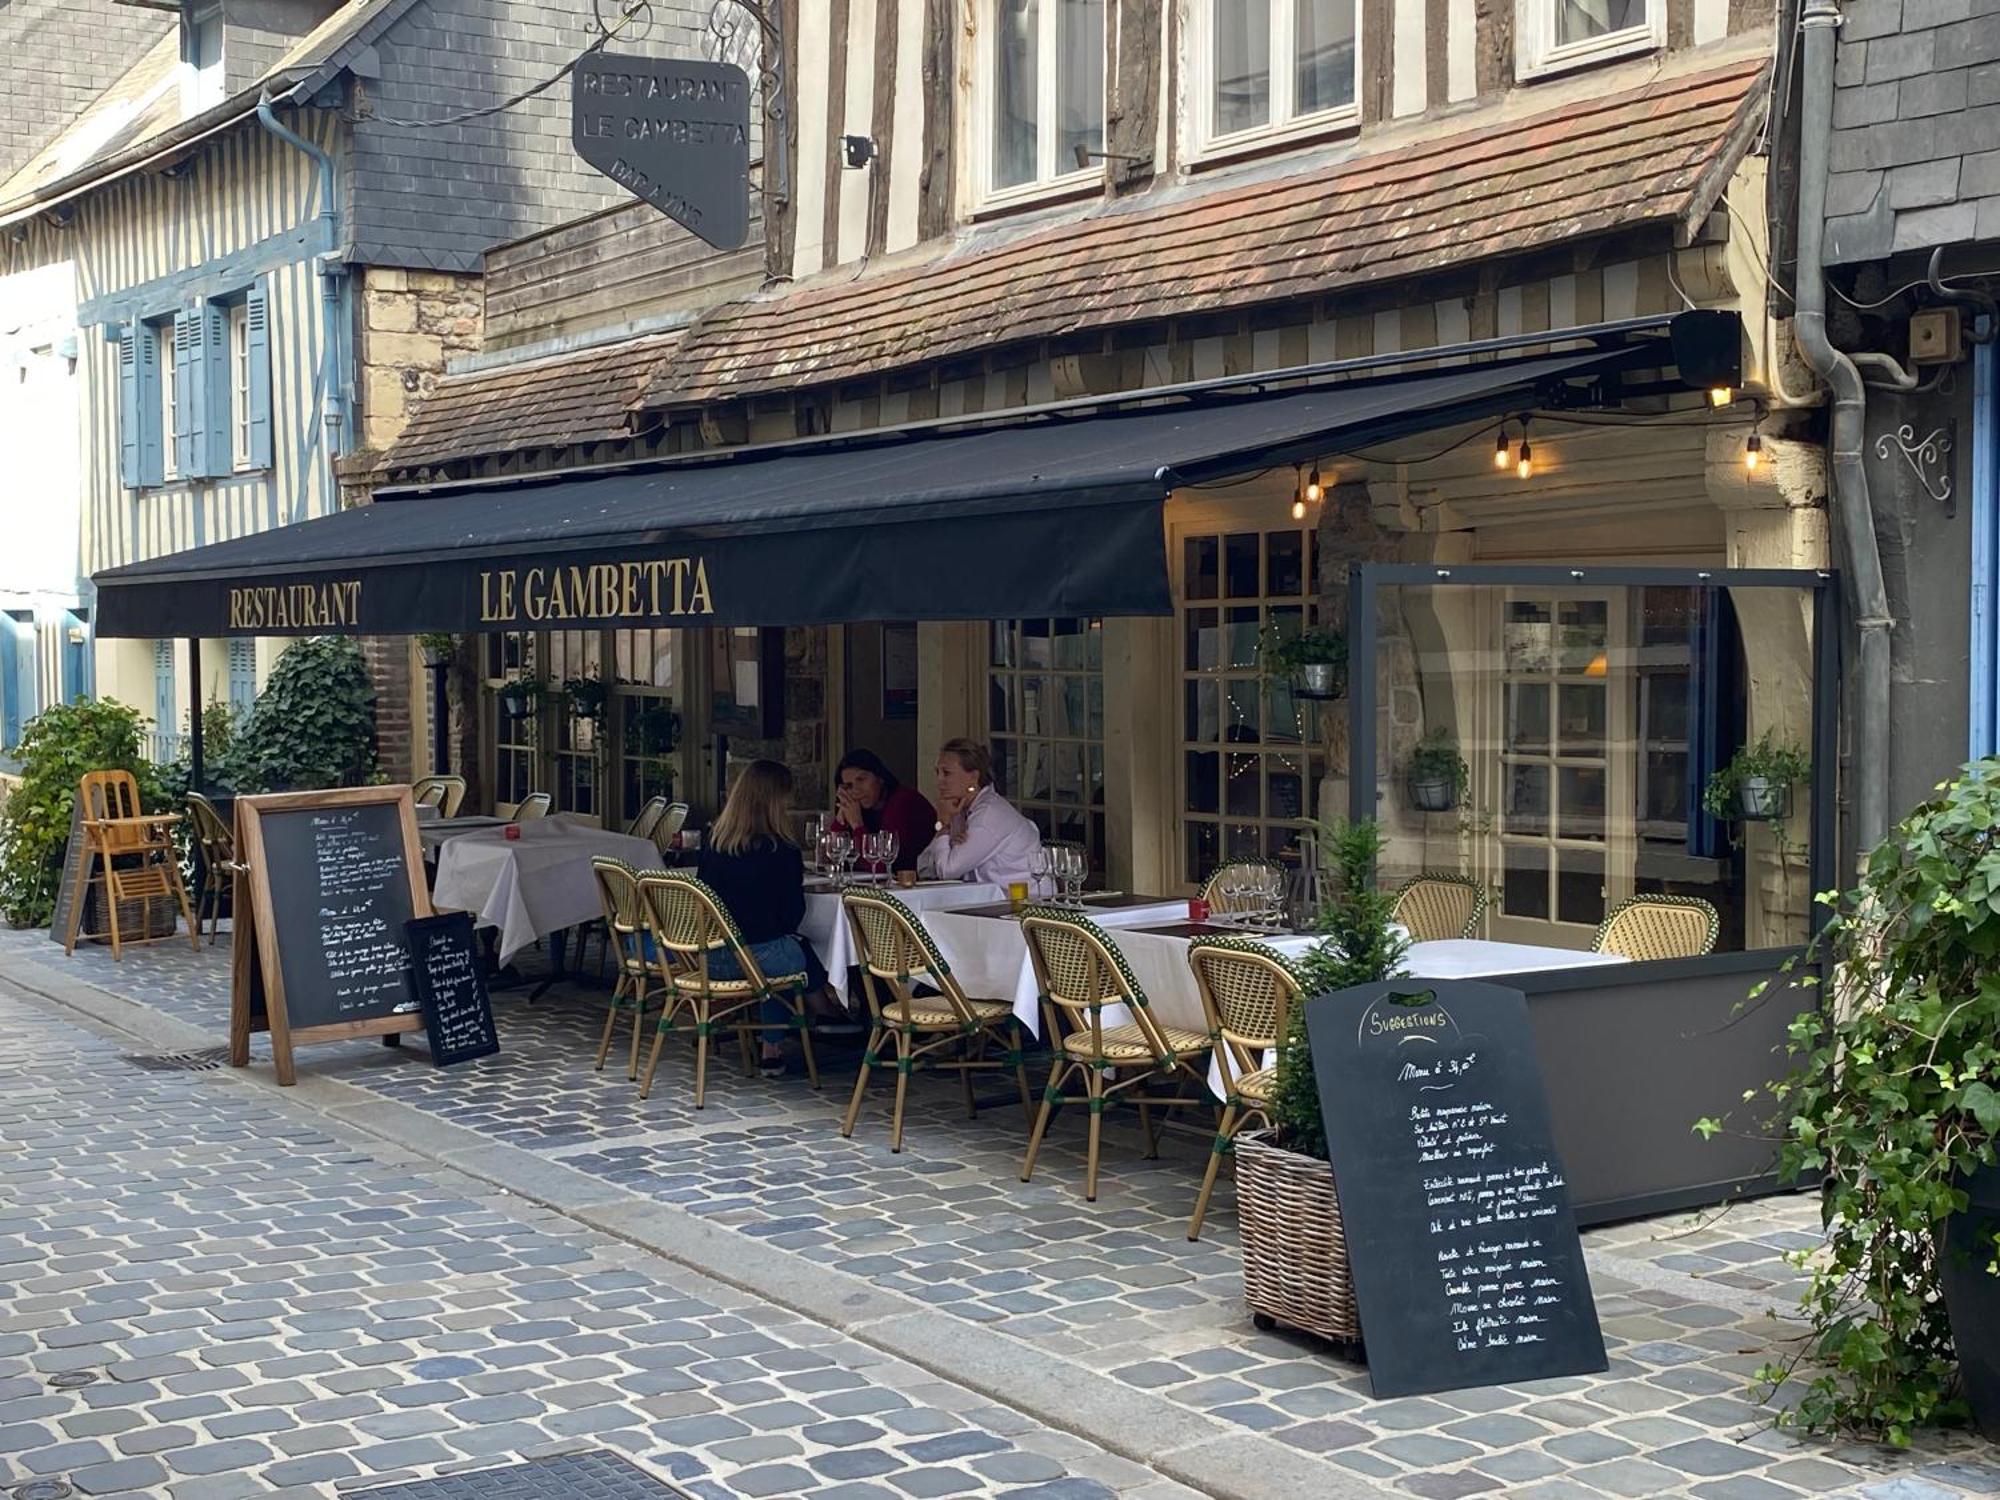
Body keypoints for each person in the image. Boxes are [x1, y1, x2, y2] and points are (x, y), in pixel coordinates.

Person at [695, 759, 826, 1076]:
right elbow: (792, 914)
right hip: (762, 959)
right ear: (776, 802)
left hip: (708, 960)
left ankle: (815, 1011)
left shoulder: (714, 843)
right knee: (785, 949)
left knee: (772, 948)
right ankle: (781, 1039)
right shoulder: (781, 850)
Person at [916, 738, 1044, 889]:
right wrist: (948, 838)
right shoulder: (959, 810)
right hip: (989, 901)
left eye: (947, 773)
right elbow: (923, 867)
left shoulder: (989, 815)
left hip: (1026, 903)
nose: (939, 781)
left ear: (973, 777)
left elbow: (947, 871)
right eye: (937, 773)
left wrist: (943, 825)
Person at [829, 749, 935, 874]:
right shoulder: (861, 808)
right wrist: (841, 820)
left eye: (861, 780)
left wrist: (857, 825)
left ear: (880, 778)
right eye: (849, 786)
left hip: (916, 884)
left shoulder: (902, 800)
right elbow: (831, 860)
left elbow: (881, 865)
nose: (856, 790)